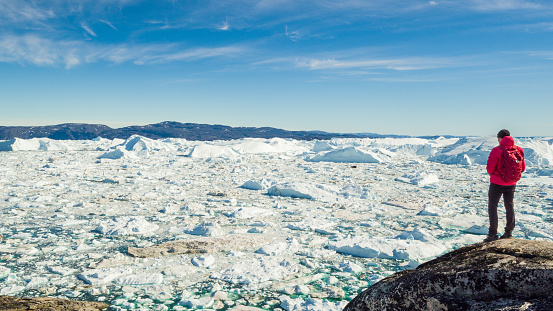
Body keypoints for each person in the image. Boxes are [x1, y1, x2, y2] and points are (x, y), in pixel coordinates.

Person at [483, 129, 525, 242]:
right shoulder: (519, 150)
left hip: (497, 183)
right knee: (509, 206)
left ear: (500, 138)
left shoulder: (497, 150)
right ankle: (508, 233)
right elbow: (523, 168)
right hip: (512, 183)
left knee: (493, 207)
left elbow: (490, 169)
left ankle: (492, 235)